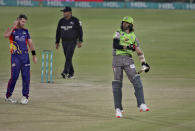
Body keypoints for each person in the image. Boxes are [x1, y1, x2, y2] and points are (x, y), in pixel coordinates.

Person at [112, 16, 150, 118]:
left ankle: (141, 103)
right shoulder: (118, 32)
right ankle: (118, 109)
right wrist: (128, 47)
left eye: (126, 23)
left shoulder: (133, 36)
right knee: (117, 84)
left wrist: (144, 63)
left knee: (137, 80)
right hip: (117, 59)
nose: (124, 24)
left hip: (128, 60)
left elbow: (139, 52)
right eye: (123, 22)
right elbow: (115, 45)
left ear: (131, 25)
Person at [4, 14, 37, 104]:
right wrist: (13, 27)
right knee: (14, 76)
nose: (23, 23)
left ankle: (25, 96)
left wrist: (34, 55)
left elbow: (30, 44)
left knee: (26, 77)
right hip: (15, 57)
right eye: (22, 21)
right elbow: (6, 35)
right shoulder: (12, 30)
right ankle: (8, 96)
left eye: (25, 22)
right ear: (18, 20)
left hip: (25, 57)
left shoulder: (26, 31)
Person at [55, 6, 83, 79]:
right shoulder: (61, 21)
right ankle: (71, 73)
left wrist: (80, 41)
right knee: (68, 57)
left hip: (73, 41)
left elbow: (80, 31)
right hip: (64, 41)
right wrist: (57, 42)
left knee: (68, 56)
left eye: (65, 12)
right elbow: (58, 32)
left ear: (70, 12)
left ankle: (65, 72)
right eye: (63, 12)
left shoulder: (75, 20)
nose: (63, 13)